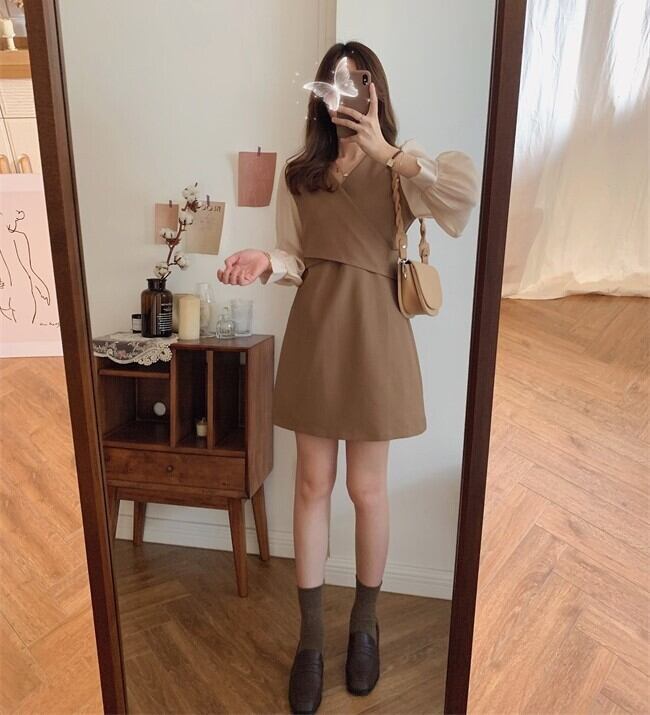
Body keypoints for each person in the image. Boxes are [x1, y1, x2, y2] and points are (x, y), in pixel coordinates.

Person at [217, 41, 479, 715]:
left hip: (376, 336)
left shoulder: (403, 167)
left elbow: (462, 195)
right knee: (311, 484)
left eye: (359, 81)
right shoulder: (301, 173)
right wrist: (265, 260)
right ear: (319, 95)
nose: (347, 93)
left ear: (376, 91)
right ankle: (310, 641)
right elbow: (298, 256)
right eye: (334, 82)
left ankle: (365, 624)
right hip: (316, 333)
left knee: (367, 489)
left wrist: (390, 152)